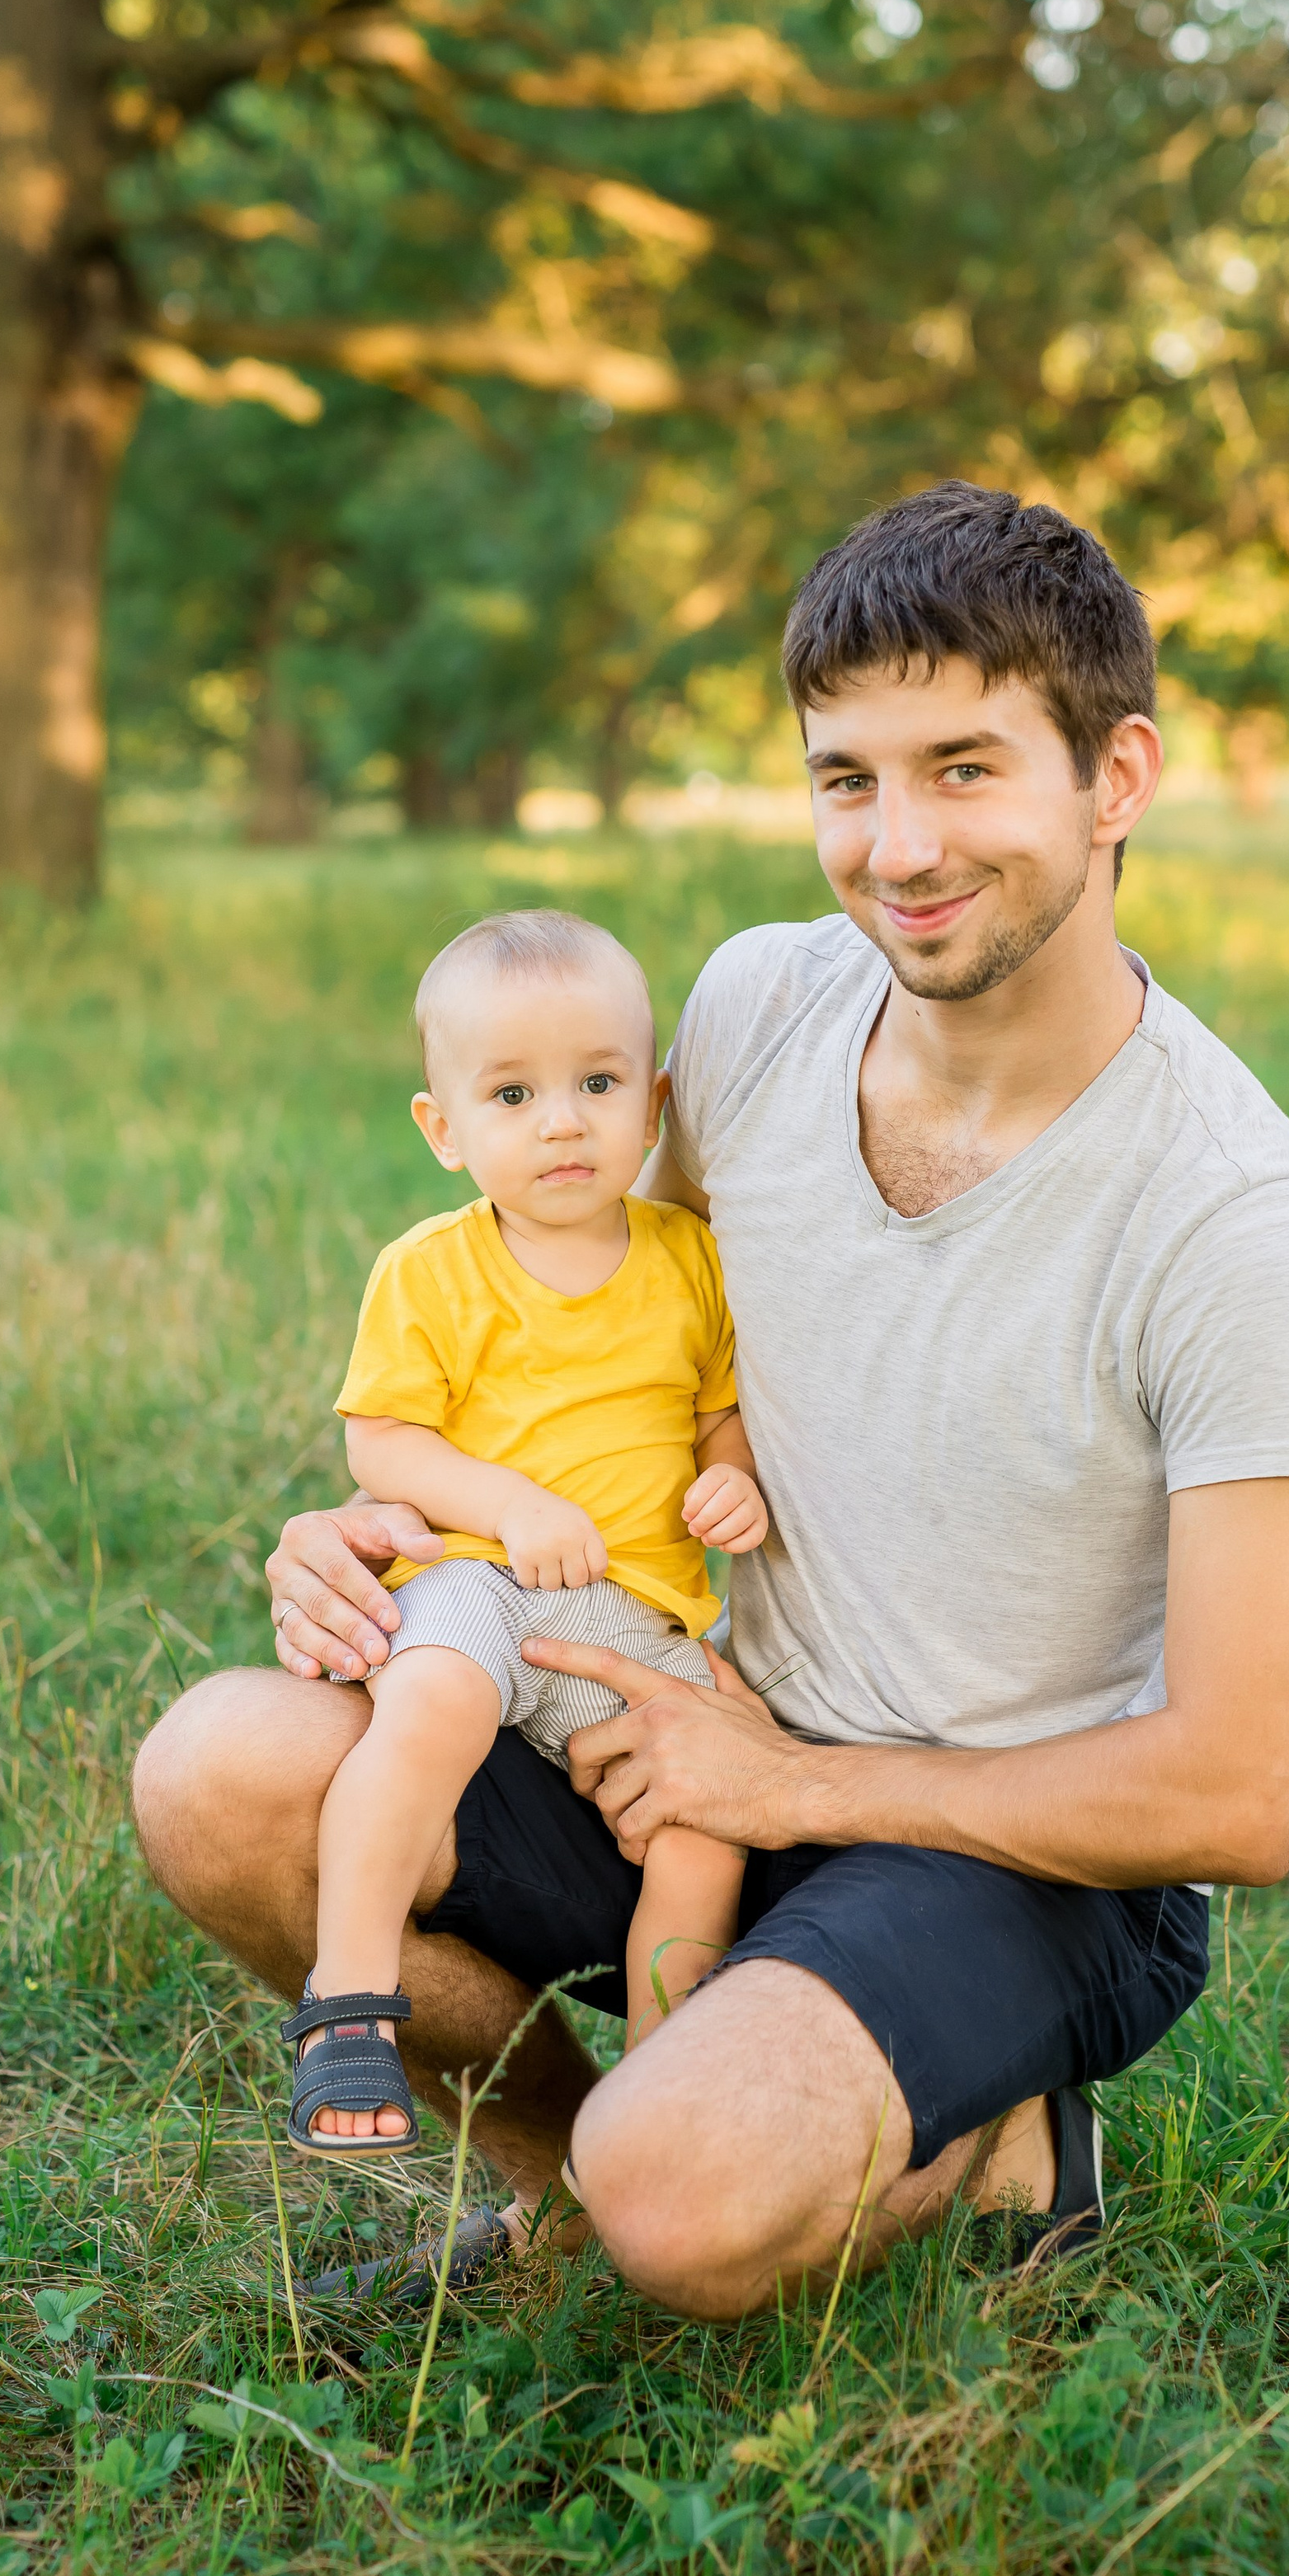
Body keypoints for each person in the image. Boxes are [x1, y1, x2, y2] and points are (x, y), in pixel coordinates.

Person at [134, 480, 1289, 2320]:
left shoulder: (1238, 1220)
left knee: (698, 2193)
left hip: (1021, 1837)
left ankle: (1011, 2127)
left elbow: (1241, 1792)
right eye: (844, 779)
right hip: (680, 1722)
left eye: (963, 769)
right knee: (221, 1777)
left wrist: (791, 1778)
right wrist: (391, 1525)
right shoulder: (751, 1010)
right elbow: (622, 1349)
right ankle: (569, 2182)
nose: (895, 847)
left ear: (1115, 779)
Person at [285, 908, 768, 2161]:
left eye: (597, 1083)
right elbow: (382, 1445)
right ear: (443, 1130)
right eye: (512, 1093)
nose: (563, 1120)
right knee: (431, 1700)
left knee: (708, 1825)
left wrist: (733, 1483)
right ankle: (348, 2001)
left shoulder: (689, 1259)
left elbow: (718, 1415)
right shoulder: (431, 1272)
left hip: (631, 1616)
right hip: (484, 1580)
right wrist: (510, 1506)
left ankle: (656, 2106)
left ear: (653, 1106)